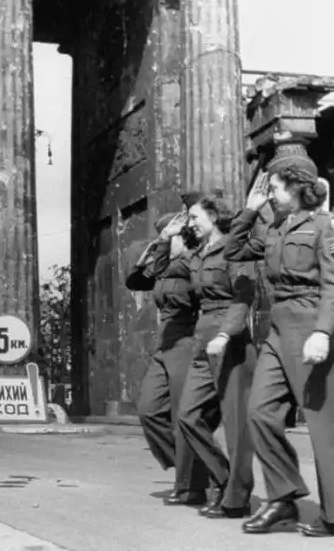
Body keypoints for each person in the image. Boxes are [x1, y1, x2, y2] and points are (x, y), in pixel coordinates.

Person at [224, 151, 334, 537]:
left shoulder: (326, 225)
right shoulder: (275, 228)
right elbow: (232, 250)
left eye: (275, 187)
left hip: (310, 325)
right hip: (278, 329)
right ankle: (283, 496)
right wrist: (250, 210)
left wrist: (322, 332)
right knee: (260, 412)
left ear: (296, 186)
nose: (271, 195)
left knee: (324, 424)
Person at [169, 193, 257, 519]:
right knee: (188, 416)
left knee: (235, 425)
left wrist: (225, 333)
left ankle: (236, 498)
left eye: (194, 217)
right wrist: (165, 239)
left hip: (229, 339)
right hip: (203, 337)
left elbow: (243, 296)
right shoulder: (196, 254)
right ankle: (223, 478)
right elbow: (150, 273)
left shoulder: (235, 249)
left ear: (214, 216)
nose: (190, 223)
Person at [128, 207, 210, 506]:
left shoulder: (195, 263)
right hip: (165, 344)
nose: (166, 239)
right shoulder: (165, 266)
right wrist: (160, 245)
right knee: (149, 410)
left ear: (183, 237)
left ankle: (191, 484)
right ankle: (199, 470)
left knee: (182, 416)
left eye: (171, 235)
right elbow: (135, 281)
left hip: (187, 342)